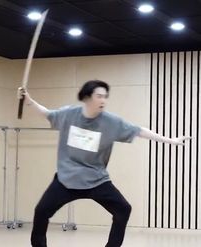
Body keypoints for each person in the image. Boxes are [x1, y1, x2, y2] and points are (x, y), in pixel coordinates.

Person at [17, 80, 190, 247]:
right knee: (41, 211)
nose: (103, 100)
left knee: (123, 209)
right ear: (86, 97)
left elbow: (139, 131)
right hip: (66, 179)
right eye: (99, 96)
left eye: (105, 96)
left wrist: (171, 141)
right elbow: (47, 114)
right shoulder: (69, 114)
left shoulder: (111, 122)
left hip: (96, 179)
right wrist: (29, 100)